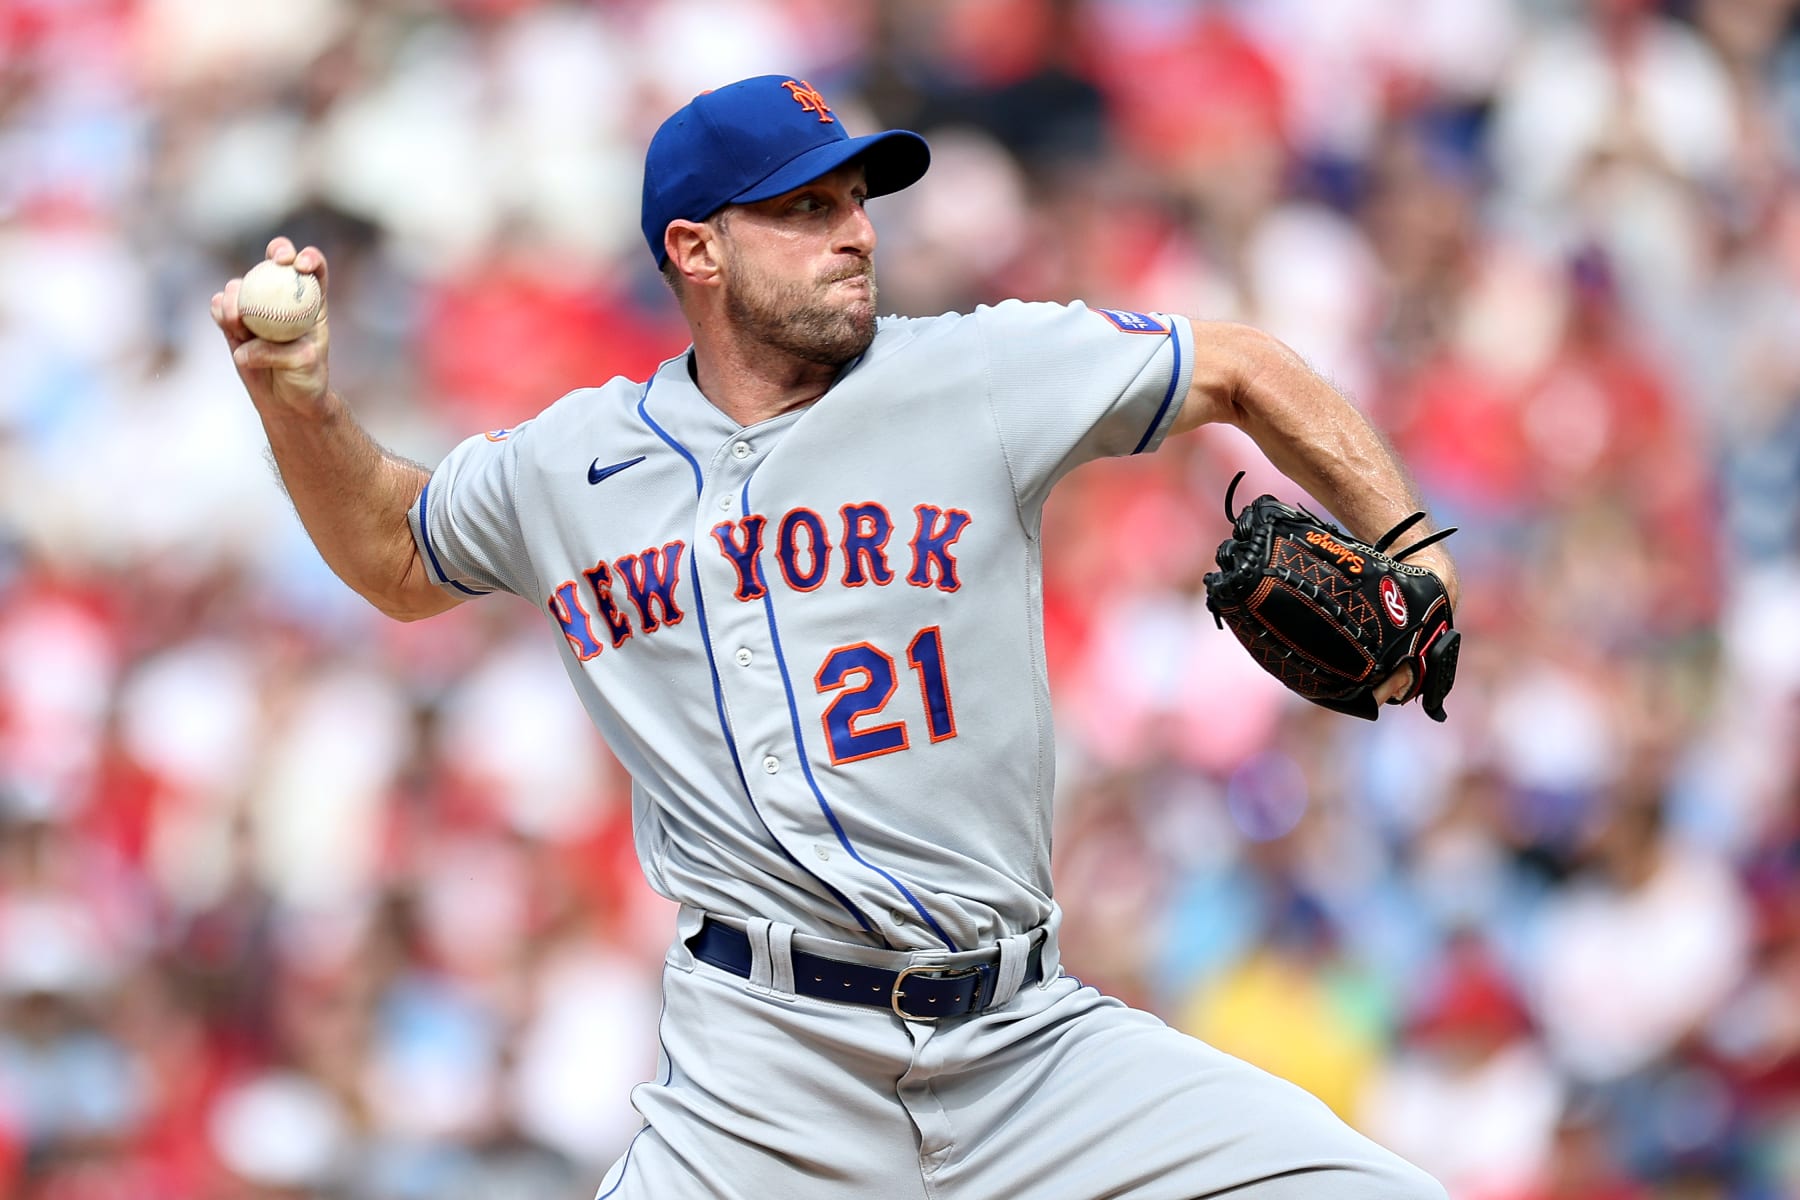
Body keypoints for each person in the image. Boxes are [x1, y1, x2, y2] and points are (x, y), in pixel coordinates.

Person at [212, 74, 1455, 1200]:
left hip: (1026, 1046)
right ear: (696, 249)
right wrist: (297, 404)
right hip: (759, 1082)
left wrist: (1415, 550)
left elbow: (1237, 366)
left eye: (855, 201)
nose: (855, 231)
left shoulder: (973, 375)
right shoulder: (567, 466)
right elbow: (395, 552)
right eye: (803, 210)